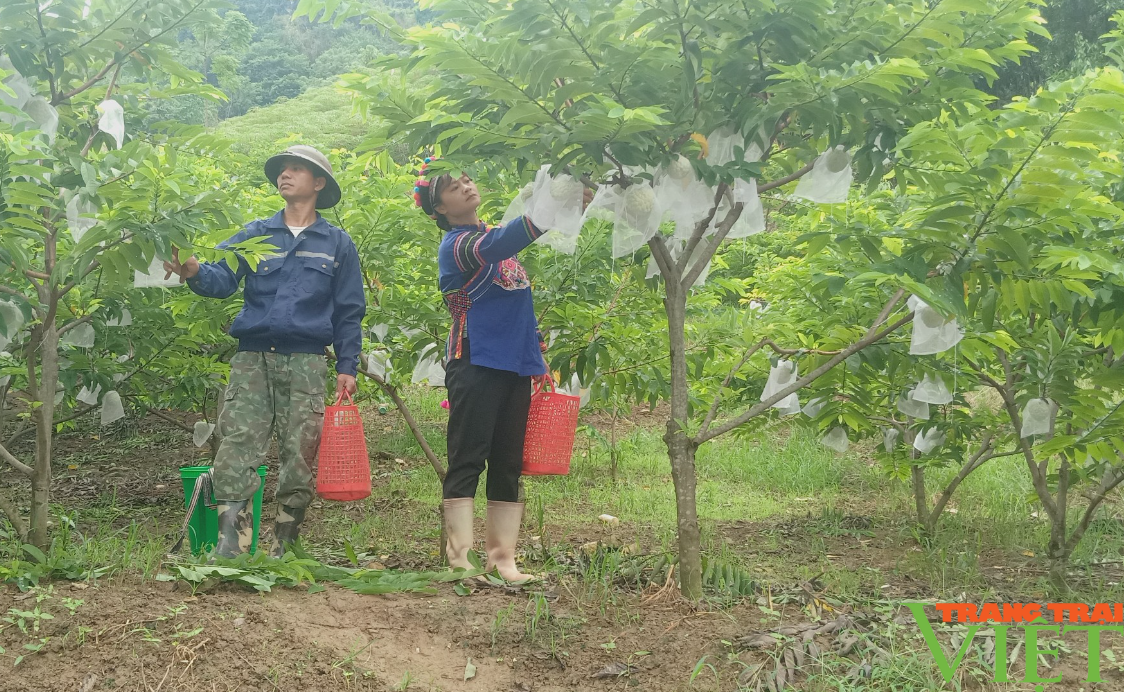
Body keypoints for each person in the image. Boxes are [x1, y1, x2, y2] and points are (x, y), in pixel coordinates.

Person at [163, 145, 366, 558]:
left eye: (296, 169)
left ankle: (283, 548)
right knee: (237, 443)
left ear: (319, 183)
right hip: (252, 357)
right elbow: (222, 279)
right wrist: (196, 270)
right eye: (281, 170)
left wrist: (347, 365)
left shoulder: (337, 244)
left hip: (308, 362)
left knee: (301, 452)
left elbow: (349, 311)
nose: (284, 175)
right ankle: (231, 547)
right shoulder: (255, 233)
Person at [414, 158, 586, 583]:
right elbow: (501, 244)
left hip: (513, 365)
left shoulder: (492, 238)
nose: (466, 187)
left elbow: (519, 310)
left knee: (508, 463)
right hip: (474, 361)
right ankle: (460, 560)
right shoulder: (457, 245)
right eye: (453, 187)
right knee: (468, 459)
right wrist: (550, 206)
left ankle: (502, 560)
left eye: (467, 178)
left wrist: (537, 360)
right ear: (438, 208)